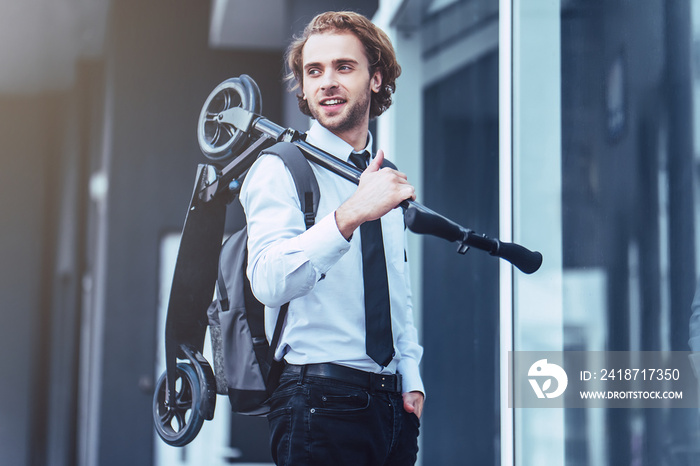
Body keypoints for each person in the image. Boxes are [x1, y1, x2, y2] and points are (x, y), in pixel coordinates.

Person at [239, 10, 424, 465]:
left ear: (376, 79)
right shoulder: (280, 167)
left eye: (344, 67)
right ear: (302, 88)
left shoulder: (383, 178)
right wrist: (349, 215)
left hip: (393, 408)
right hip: (318, 400)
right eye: (314, 71)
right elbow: (268, 281)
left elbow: (396, 292)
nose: (326, 82)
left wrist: (412, 376)